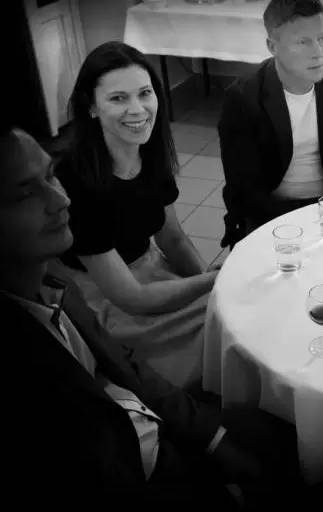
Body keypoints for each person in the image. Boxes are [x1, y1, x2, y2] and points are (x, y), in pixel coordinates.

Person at [1, 125, 303, 507]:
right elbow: (132, 299)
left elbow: (127, 369)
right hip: (144, 472)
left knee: (291, 435)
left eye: (50, 176)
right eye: (25, 193)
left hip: (159, 428)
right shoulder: (24, 364)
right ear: (92, 108)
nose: (60, 200)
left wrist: (216, 440)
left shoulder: (55, 283)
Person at [55, 41, 215, 388]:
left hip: (152, 274)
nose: (138, 109)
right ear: (91, 107)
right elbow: (131, 298)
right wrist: (213, 283)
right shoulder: (75, 180)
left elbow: (172, 238)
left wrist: (212, 287)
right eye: (118, 98)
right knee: (221, 331)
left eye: (145, 93)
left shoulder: (150, 152)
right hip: (105, 301)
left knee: (230, 313)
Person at [218, 0, 323, 248]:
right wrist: (300, 224)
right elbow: (244, 188)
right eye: (302, 42)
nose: (318, 52)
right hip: (272, 214)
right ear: (272, 47)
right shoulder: (243, 96)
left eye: (322, 38)